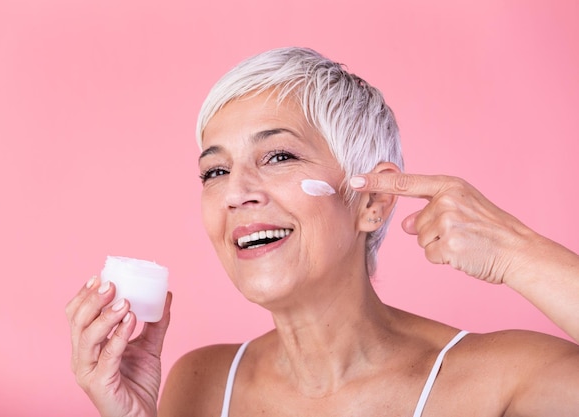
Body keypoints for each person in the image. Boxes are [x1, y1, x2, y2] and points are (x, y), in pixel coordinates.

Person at [66, 47, 579, 417]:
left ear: (372, 201)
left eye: (279, 156)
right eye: (215, 171)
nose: (235, 193)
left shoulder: (505, 381)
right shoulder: (200, 384)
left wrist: (517, 252)